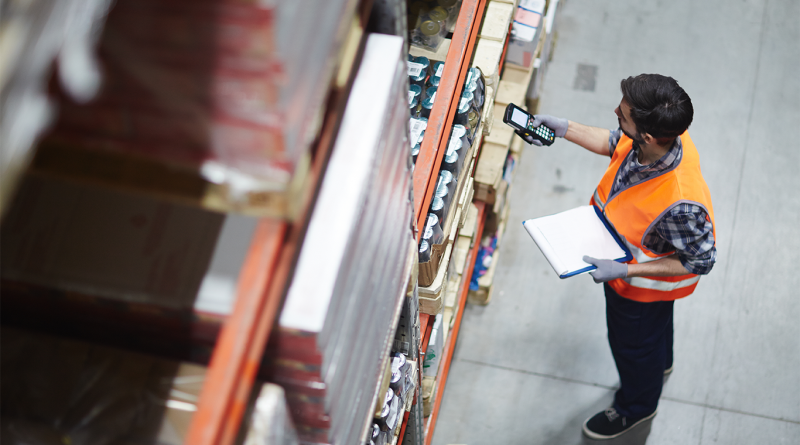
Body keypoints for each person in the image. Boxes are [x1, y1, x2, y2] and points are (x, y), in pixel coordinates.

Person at [521, 74, 716, 440]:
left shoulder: (681, 204)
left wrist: (625, 270)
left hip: (639, 290)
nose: (615, 113)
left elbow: (700, 260)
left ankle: (637, 407)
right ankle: (661, 363)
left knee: (633, 347)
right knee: (655, 336)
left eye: (623, 115)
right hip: (635, 280)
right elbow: (616, 143)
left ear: (647, 135)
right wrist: (566, 129)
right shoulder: (663, 137)